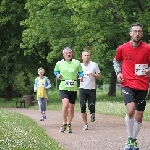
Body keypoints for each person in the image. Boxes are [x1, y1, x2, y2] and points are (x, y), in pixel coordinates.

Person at [113, 22, 150, 150]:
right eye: (135, 31)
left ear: (142, 34)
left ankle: (133, 140)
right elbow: (116, 61)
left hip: (143, 85)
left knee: (139, 115)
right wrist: (118, 73)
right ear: (130, 33)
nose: (137, 33)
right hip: (127, 83)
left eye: (139, 31)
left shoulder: (147, 48)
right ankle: (130, 138)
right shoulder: (122, 48)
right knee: (131, 110)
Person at [54, 47, 83, 133]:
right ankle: (64, 123)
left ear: (72, 54)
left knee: (71, 108)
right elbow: (56, 71)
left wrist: (81, 76)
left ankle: (69, 124)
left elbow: (81, 72)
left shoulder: (77, 63)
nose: (68, 54)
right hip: (63, 87)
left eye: (70, 53)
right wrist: (57, 75)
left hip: (73, 88)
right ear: (63, 54)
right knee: (65, 105)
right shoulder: (59, 63)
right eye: (66, 53)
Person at [79, 50, 101, 130]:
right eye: (85, 55)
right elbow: (76, 76)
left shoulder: (94, 65)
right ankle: (85, 123)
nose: (86, 57)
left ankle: (92, 113)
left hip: (92, 88)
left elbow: (99, 75)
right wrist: (79, 78)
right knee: (82, 106)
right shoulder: (79, 65)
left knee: (91, 106)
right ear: (82, 57)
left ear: (89, 56)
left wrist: (94, 75)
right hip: (82, 88)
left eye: (88, 55)